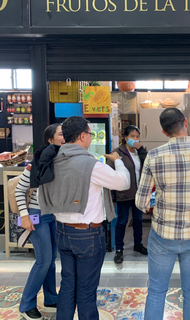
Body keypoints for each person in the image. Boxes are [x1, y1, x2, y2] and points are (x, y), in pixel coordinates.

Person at [135, 108, 190, 320]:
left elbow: (141, 202)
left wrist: (158, 202)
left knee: (156, 292)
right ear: (186, 122)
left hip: (163, 236)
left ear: (164, 132)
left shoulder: (154, 156)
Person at [38, 116, 130, 320]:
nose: (90, 137)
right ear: (82, 136)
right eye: (89, 133)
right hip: (87, 235)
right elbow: (123, 182)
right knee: (87, 292)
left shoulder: (53, 159)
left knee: (68, 286)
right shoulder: (90, 165)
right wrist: (119, 162)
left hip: (62, 231)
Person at [17, 123, 65, 320]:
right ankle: (27, 304)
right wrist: (25, 216)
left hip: (55, 215)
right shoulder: (36, 162)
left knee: (51, 260)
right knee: (43, 260)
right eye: (61, 134)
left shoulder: (63, 160)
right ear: (50, 139)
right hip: (37, 214)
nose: (64, 137)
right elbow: (20, 190)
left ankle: (51, 297)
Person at [107, 125, 148, 264]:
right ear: (125, 138)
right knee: (122, 221)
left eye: (137, 136)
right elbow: (111, 175)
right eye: (132, 136)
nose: (135, 139)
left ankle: (138, 244)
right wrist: (113, 196)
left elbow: (147, 167)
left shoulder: (140, 152)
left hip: (139, 193)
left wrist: (142, 151)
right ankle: (119, 250)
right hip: (123, 194)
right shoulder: (117, 153)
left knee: (138, 220)